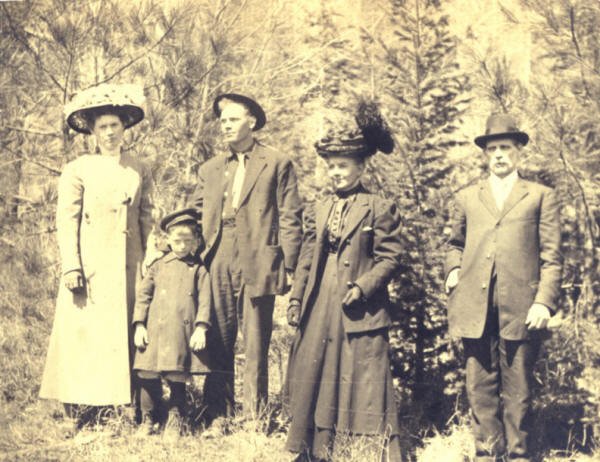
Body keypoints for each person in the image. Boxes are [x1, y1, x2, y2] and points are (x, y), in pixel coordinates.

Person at [285, 101, 403, 461]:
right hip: (320, 300)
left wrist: (363, 286)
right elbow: (308, 259)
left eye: (343, 166)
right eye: (331, 167)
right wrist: (295, 299)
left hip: (357, 305)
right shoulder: (319, 208)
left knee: (356, 377)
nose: (335, 173)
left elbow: (390, 257)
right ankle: (314, 450)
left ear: (361, 167)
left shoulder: (379, 207)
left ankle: (359, 451)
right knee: (315, 370)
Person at [445, 113, 562, 461]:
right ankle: (486, 454)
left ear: (519, 151)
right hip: (475, 307)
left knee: (518, 391)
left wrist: (544, 302)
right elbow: (453, 243)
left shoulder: (540, 196)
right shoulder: (467, 197)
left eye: (505, 147)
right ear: (484, 153)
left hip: (522, 309)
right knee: (480, 388)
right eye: (492, 148)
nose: (498, 154)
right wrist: (452, 268)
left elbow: (552, 257)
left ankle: (519, 455)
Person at [39, 84, 154, 425]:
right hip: (91, 263)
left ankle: (126, 404)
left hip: (129, 262)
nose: (109, 133)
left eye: (114, 126)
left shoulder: (138, 167)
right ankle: (81, 408)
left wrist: (148, 257)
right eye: (102, 127)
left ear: (124, 128)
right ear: (92, 131)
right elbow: (67, 219)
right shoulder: (78, 169)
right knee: (86, 332)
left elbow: (146, 215)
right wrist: (71, 265)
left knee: (126, 330)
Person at [189, 93, 303, 425]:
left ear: (251, 121)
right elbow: (194, 214)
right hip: (219, 256)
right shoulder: (210, 169)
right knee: (218, 335)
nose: (225, 125)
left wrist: (292, 266)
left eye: (233, 119)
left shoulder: (277, 162)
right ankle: (218, 413)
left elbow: (291, 216)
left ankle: (255, 416)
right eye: (222, 120)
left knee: (256, 341)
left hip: (259, 258)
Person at [132, 208, 211, 436]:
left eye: (188, 240)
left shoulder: (199, 269)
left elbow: (205, 301)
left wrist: (201, 328)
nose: (183, 246)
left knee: (177, 373)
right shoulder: (157, 265)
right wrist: (139, 325)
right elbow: (143, 297)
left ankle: (176, 418)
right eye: (177, 240)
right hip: (154, 331)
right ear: (167, 239)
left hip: (180, 331)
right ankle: (149, 417)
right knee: (147, 372)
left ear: (196, 240)